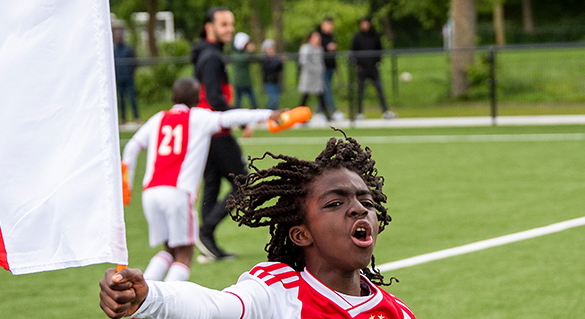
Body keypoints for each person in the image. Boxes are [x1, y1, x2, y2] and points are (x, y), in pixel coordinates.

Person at [99, 135, 415, 319]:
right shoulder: (278, 291)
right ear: (301, 234)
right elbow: (215, 309)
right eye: (336, 203)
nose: (359, 209)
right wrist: (149, 296)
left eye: (366, 202)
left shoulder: (397, 313)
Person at [122, 77, 284, 282]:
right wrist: (269, 113)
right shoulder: (199, 117)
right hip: (177, 192)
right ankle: (167, 305)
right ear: (197, 98)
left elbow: (132, 147)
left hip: (151, 192)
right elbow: (231, 117)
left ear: (173, 97)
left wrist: (126, 184)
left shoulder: (157, 118)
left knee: (169, 249)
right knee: (185, 254)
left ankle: (141, 299)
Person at [190, 6, 247, 261]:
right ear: (209, 27)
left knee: (212, 183)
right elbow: (215, 99)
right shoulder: (212, 57)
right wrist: (243, 118)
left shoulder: (207, 54)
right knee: (243, 184)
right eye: (224, 24)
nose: (230, 29)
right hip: (215, 129)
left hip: (205, 131)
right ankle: (206, 231)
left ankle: (206, 242)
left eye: (231, 24)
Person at [350, 16, 395, 120]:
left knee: (379, 88)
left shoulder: (375, 35)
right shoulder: (357, 36)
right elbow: (353, 51)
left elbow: (379, 49)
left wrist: (377, 62)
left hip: (373, 67)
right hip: (362, 68)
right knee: (360, 91)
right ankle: (359, 112)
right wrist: (357, 63)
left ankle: (385, 111)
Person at [298, 31, 331, 118]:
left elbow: (321, 62)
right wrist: (314, 69)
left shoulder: (319, 48)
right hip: (309, 76)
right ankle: (298, 116)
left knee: (321, 96)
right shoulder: (306, 48)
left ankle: (328, 116)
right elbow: (303, 61)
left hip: (317, 77)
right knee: (305, 97)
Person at [317, 17, 343, 121]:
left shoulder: (331, 36)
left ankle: (319, 112)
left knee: (325, 90)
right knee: (327, 90)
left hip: (330, 67)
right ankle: (334, 111)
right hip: (322, 67)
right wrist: (327, 47)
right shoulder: (319, 36)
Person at [113, 26, 139, 124]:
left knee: (132, 98)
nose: (118, 38)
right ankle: (123, 118)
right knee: (121, 100)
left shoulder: (128, 49)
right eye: (117, 37)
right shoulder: (113, 51)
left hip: (128, 78)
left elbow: (134, 62)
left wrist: (130, 72)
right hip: (119, 79)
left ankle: (136, 117)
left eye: (120, 36)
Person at [231, 32, 258, 109]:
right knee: (238, 102)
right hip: (239, 82)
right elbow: (242, 59)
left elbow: (254, 59)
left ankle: (256, 115)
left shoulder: (244, 53)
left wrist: (250, 51)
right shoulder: (235, 54)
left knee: (253, 100)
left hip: (247, 81)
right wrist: (249, 51)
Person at [260, 39, 283, 110]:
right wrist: (279, 61)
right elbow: (271, 67)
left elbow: (279, 68)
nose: (272, 50)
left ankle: (274, 115)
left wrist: (280, 62)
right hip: (269, 82)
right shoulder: (265, 59)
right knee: (273, 99)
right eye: (270, 49)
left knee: (276, 101)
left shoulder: (275, 58)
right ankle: (266, 113)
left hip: (276, 81)